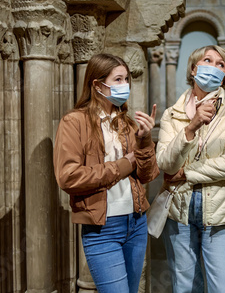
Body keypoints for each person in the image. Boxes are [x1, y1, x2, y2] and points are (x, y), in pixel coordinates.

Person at [53, 53, 159, 293]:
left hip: (136, 222)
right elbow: (69, 176)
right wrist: (123, 165)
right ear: (97, 84)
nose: (125, 86)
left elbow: (148, 175)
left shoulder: (128, 123)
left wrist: (144, 142)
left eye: (126, 80)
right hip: (102, 228)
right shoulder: (74, 121)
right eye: (118, 79)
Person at [155, 45, 225, 293]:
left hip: (221, 214)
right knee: (185, 288)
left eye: (221, 64)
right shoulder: (172, 115)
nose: (214, 67)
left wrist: (187, 173)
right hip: (180, 213)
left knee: (224, 289)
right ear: (194, 68)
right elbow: (165, 163)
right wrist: (191, 127)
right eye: (208, 60)